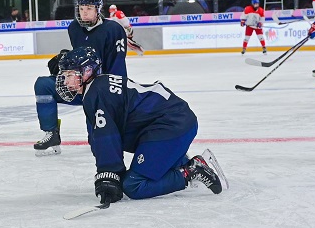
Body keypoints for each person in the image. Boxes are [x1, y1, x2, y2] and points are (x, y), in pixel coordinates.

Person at [56, 46, 227, 203]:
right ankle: (179, 161)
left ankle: (191, 170)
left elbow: (106, 136)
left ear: (86, 72)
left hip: (171, 125)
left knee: (133, 185)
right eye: (64, 76)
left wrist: (108, 174)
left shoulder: (96, 93)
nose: (65, 82)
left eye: (69, 76)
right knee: (138, 170)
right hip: (173, 120)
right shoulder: (101, 84)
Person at [32, 0, 128, 156]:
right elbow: (82, 57)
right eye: (81, 9)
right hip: (78, 86)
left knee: (98, 144)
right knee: (43, 85)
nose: (84, 13)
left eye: (89, 8)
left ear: (98, 9)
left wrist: (113, 95)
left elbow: (117, 66)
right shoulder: (74, 28)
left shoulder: (113, 29)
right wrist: (65, 61)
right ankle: (51, 133)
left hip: (101, 91)